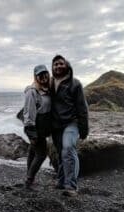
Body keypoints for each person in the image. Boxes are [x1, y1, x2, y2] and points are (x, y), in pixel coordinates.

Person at [50, 55, 89, 197]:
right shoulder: (49, 83)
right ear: (52, 67)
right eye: (55, 64)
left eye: (61, 63)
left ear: (66, 66)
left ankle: (71, 186)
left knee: (68, 148)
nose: (58, 66)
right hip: (55, 126)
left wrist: (84, 129)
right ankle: (61, 182)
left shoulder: (75, 83)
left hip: (71, 123)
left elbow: (82, 108)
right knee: (61, 154)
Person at [23, 64, 51, 190]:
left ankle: (29, 179)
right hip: (34, 126)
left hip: (42, 126)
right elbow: (28, 113)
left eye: (45, 73)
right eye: (40, 74)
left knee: (33, 152)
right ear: (36, 76)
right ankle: (29, 180)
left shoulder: (46, 89)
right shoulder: (32, 91)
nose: (43, 76)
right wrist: (31, 132)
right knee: (41, 154)